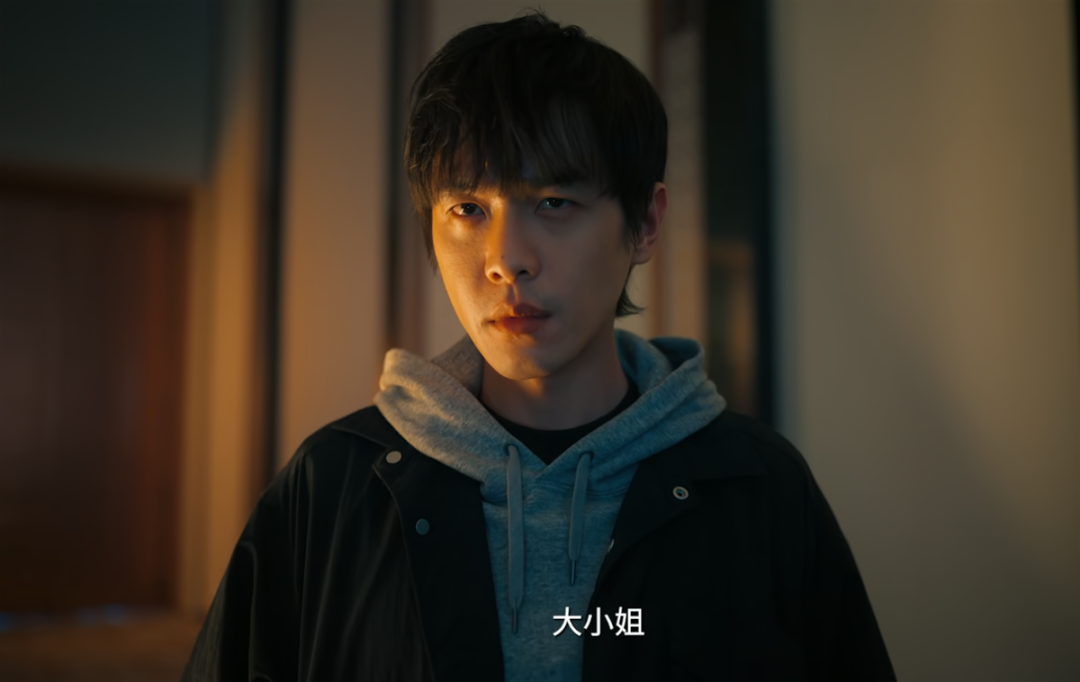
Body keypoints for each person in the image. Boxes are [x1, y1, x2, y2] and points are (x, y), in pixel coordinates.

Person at [183, 11, 894, 682]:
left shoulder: (759, 487)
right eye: (468, 209)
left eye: (554, 202)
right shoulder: (334, 485)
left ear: (645, 224)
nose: (506, 260)